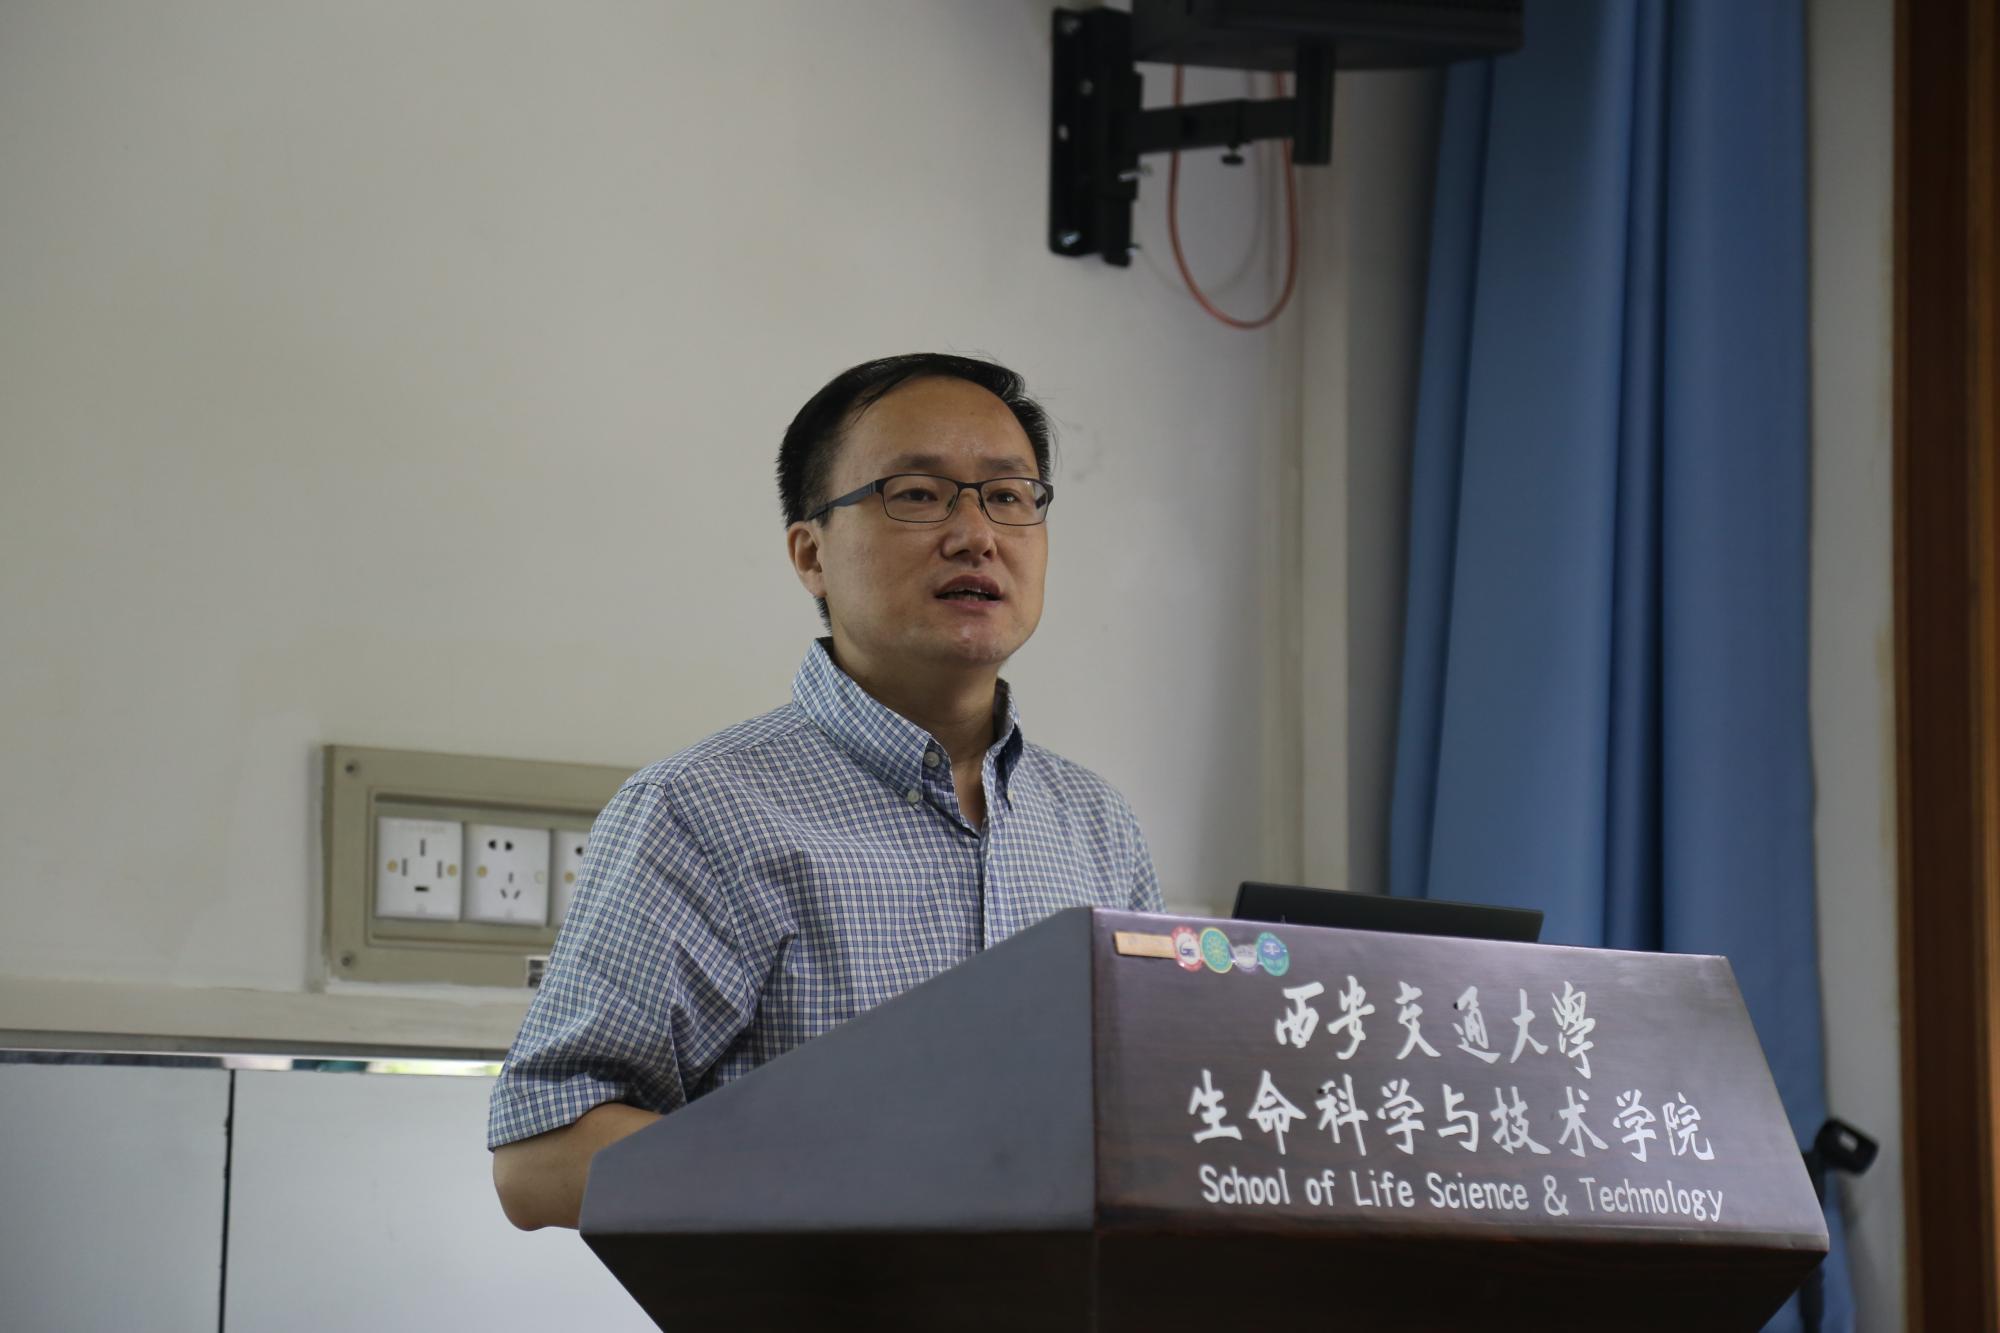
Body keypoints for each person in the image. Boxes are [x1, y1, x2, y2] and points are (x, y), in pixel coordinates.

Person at [488, 353, 1162, 1230]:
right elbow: (540, 1160)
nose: (976, 534)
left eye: (1008, 495)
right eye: (918, 494)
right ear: (811, 554)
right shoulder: (704, 810)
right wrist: (859, 1176)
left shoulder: (1096, 825)